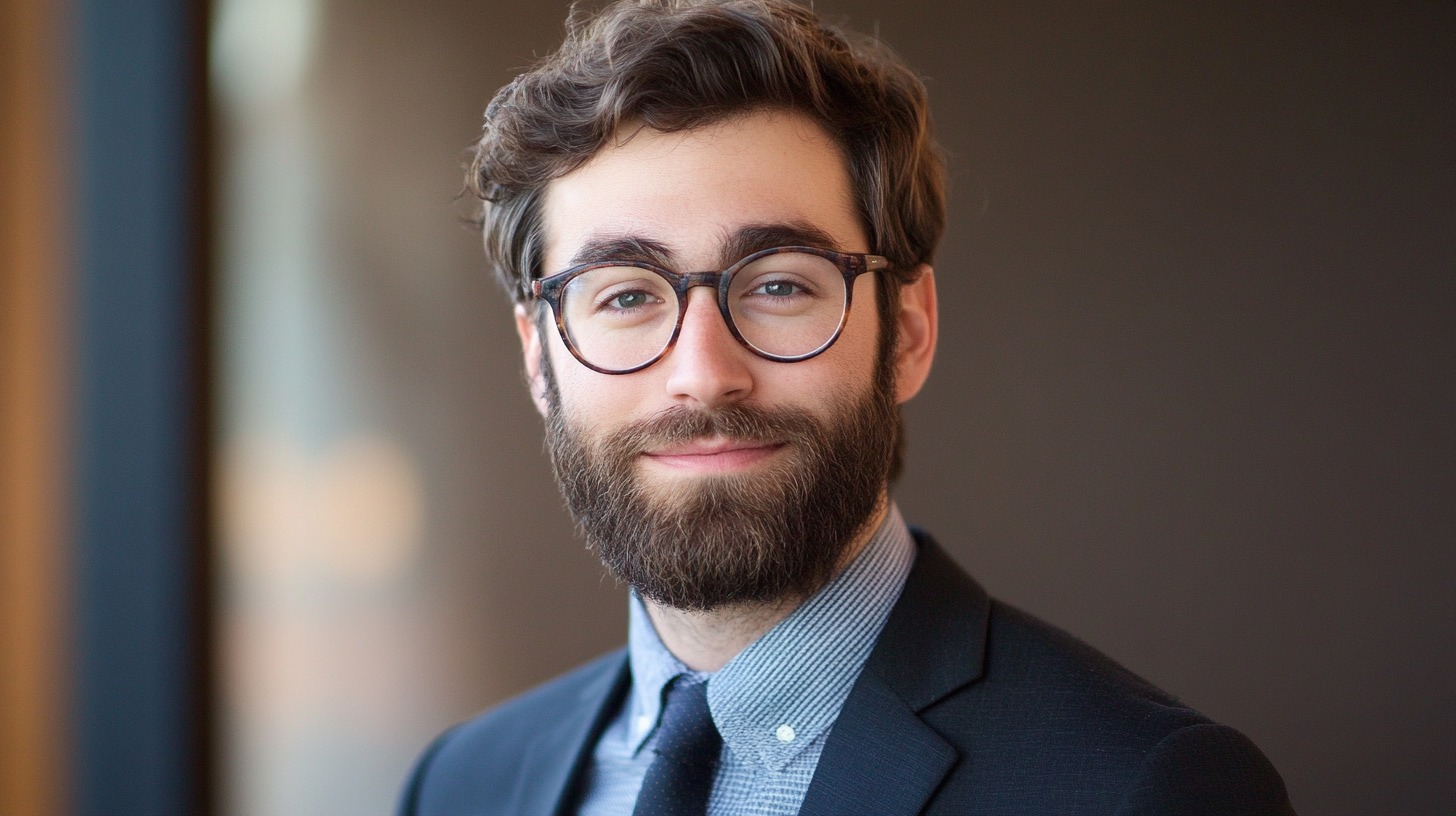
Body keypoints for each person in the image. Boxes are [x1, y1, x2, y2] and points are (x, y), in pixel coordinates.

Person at [397, 1, 1293, 813]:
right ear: (539, 357)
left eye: (780, 285)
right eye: (625, 296)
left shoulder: (1148, 791)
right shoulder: (460, 785)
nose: (703, 375)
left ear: (905, 329)